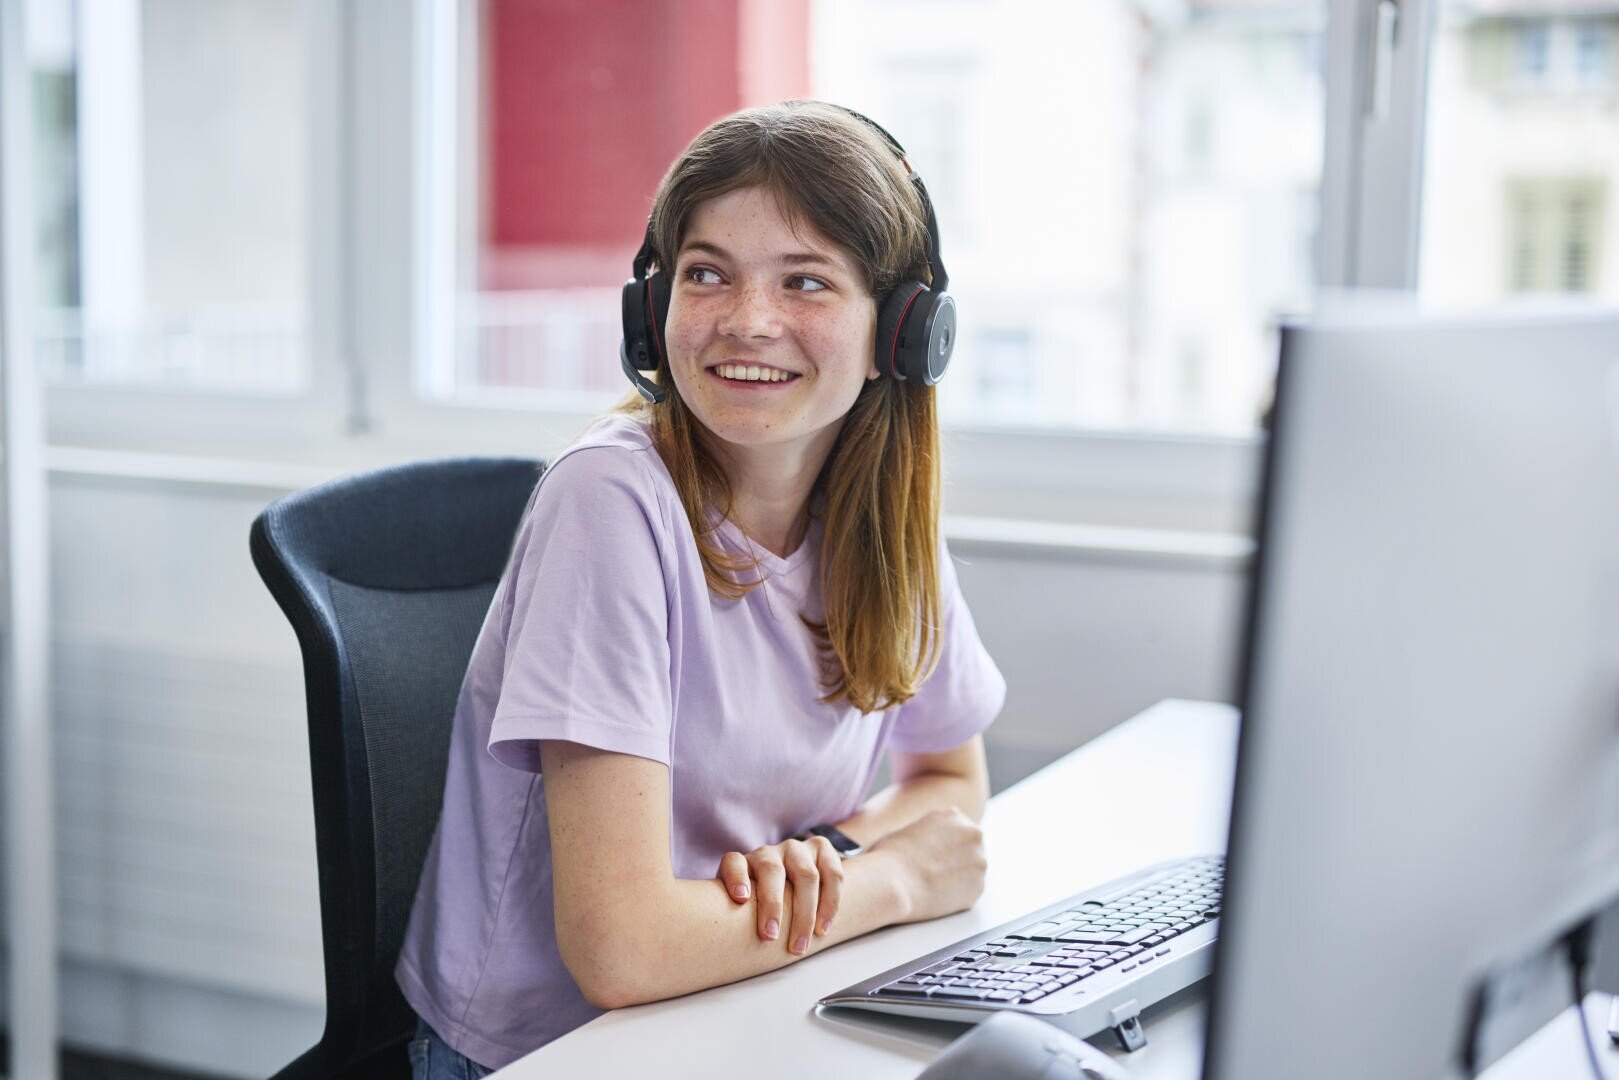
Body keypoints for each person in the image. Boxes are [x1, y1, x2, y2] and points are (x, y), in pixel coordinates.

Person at [394, 99, 1007, 1079]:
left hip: (748, 997)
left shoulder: (875, 511)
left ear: (901, 331)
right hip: (556, 1050)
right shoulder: (610, 501)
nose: (746, 322)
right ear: (653, 309)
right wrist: (880, 884)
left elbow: (948, 784)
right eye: (706, 274)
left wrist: (816, 862)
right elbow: (622, 951)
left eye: (804, 280)